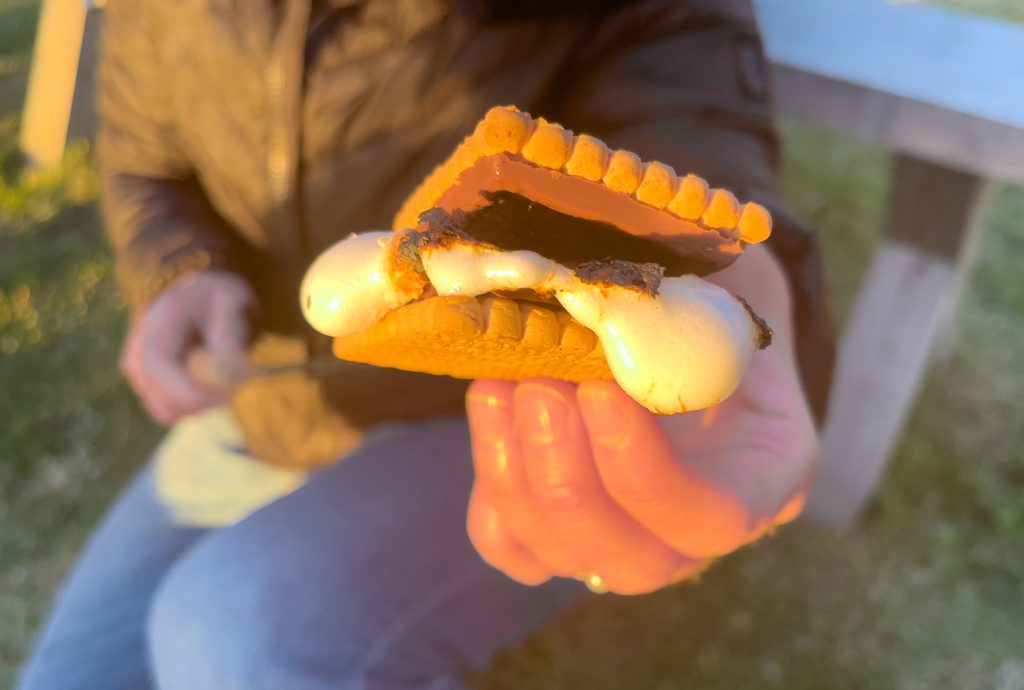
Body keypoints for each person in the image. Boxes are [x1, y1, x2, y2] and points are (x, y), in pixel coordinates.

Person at [18, 0, 834, 688]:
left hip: (488, 418)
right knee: (71, 675)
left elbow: (681, 93)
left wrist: (723, 285)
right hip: (266, 394)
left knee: (233, 627)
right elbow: (143, 152)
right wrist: (179, 270)